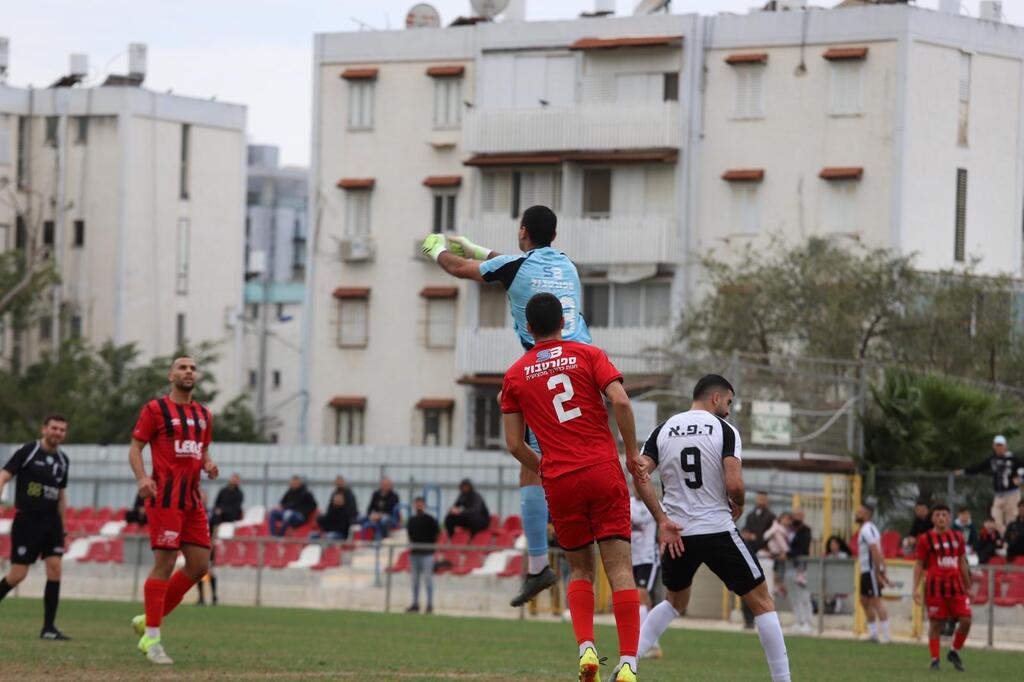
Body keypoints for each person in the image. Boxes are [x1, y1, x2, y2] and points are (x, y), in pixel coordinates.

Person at [424, 206, 643, 608]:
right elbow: (514, 265)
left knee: (528, 456)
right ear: (554, 235)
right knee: (589, 452)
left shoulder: (515, 268)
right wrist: (478, 248)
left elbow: (460, 269)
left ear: (522, 231)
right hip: (587, 369)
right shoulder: (567, 265)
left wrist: (435, 248)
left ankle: (539, 564)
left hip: (546, 370)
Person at [501, 293, 653, 682]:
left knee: (580, 569)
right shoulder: (589, 354)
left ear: (528, 328)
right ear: (564, 321)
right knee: (620, 569)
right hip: (602, 470)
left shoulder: (515, 375)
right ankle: (629, 664)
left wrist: (546, 468)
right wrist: (631, 452)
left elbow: (514, 444)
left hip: (560, 480)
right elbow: (621, 402)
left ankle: (586, 648)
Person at [634, 374, 791, 682]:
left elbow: (640, 475)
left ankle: (629, 662)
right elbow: (735, 484)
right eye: (728, 402)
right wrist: (739, 503)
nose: (729, 410)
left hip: (677, 533)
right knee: (763, 603)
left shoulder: (662, 429)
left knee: (674, 602)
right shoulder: (725, 430)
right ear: (716, 398)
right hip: (717, 529)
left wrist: (662, 519)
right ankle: (783, 680)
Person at [128, 356, 218, 665]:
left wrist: (208, 464)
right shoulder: (155, 409)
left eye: (193, 368)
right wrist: (142, 478)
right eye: (182, 367)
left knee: (199, 565)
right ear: (171, 376)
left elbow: (202, 449)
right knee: (165, 564)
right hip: (164, 498)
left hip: (192, 501)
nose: (189, 371)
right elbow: (135, 448)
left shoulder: (204, 415)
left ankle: (148, 619)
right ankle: (152, 639)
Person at [0, 414, 72, 640]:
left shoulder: (63, 460)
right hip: (27, 521)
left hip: (52, 523)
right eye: (54, 428)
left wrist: (63, 525)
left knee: (55, 569)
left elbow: (61, 494)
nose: (58, 433)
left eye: (62, 430)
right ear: (44, 429)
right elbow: (3, 476)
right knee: (17, 575)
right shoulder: (28, 451)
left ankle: (48, 628)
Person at [913, 504, 972, 672]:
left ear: (949, 518)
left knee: (966, 620)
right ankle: (935, 660)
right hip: (935, 588)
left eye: (944, 515)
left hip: (956, 587)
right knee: (935, 623)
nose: (941, 518)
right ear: (932, 518)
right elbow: (919, 564)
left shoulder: (958, 537)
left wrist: (968, 586)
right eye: (937, 515)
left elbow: (962, 562)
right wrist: (915, 588)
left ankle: (954, 651)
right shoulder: (925, 539)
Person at [956, 435, 1023, 533]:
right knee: (996, 517)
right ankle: (1004, 537)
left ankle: (1011, 539)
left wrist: (1021, 479)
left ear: (1005, 446)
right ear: (994, 446)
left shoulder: (1012, 459)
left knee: (1011, 519)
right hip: (999, 494)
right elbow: (979, 467)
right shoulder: (992, 459)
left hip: (1011, 494)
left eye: (1001, 445)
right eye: (997, 445)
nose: (999, 448)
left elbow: (1022, 469)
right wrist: (963, 471)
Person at [629, 487, 662, 659]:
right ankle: (652, 644)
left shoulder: (654, 505)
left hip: (648, 558)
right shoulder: (628, 504)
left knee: (641, 597)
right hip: (631, 558)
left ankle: (645, 644)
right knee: (640, 601)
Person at [855, 504, 892, 644]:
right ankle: (873, 634)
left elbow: (875, 550)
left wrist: (879, 571)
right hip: (865, 571)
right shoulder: (866, 529)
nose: (856, 515)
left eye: (860, 512)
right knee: (864, 600)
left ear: (867, 515)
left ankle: (886, 636)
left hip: (870, 571)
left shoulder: (867, 529)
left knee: (876, 602)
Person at [740, 491, 777, 628]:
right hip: (750, 554)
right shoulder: (750, 515)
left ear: (766, 500)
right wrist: (748, 535)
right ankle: (748, 620)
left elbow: (769, 536)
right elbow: (746, 531)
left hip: (763, 555)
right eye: (759, 498)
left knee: (765, 589)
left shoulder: (771, 517)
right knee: (747, 588)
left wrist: (755, 538)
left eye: (763, 498)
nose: (760, 500)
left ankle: (766, 621)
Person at [406, 496, 440, 614]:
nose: (419, 505)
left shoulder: (430, 520)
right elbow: (410, 535)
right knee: (415, 580)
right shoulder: (411, 520)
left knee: (428, 579)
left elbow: (436, 534)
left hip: (427, 554)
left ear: (424, 505)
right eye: (417, 503)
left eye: (420, 503)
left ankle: (429, 605)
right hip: (415, 554)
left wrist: (431, 547)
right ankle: (415, 603)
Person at [787, 509, 813, 635]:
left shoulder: (806, 531)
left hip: (801, 569)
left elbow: (802, 550)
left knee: (804, 596)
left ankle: (807, 622)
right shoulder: (790, 530)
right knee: (794, 596)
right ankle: (799, 621)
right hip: (790, 567)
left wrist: (787, 554)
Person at [195, 488, 218, 606]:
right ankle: (201, 598)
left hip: (208, 545)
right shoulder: (194, 511)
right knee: (198, 572)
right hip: (197, 545)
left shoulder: (211, 513)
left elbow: (215, 528)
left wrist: (212, 542)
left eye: (205, 497)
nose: (203, 499)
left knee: (210, 571)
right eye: (201, 496)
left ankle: (214, 597)